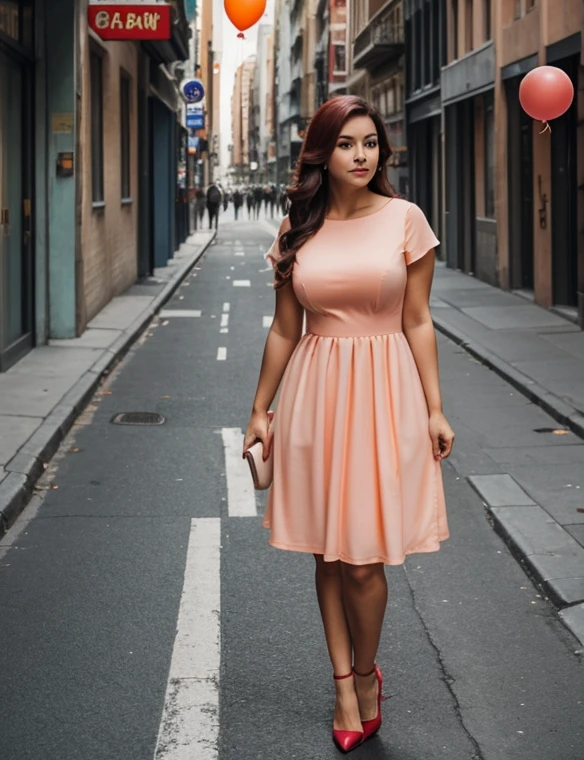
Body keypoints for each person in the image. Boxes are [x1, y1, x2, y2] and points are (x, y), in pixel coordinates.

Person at [243, 95, 454, 753]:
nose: (361, 155)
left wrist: (436, 405)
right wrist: (259, 408)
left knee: (364, 561)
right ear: (322, 154)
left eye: (370, 143)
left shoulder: (406, 220)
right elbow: (285, 328)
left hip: (386, 392)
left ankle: (368, 670)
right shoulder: (296, 229)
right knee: (328, 553)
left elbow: (417, 319)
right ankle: (343, 683)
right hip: (315, 392)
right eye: (346, 144)